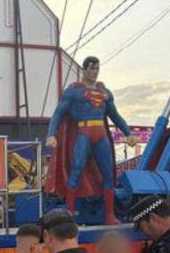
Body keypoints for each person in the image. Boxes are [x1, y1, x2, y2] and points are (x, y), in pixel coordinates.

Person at [44, 56, 138, 224]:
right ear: (84, 69)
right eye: (92, 68)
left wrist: (128, 132)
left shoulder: (105, 92)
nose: (94, 72)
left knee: (108, 174)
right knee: (76, 170)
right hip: (84, 134)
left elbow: (115, 116)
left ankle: (109, 215)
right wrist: (51, 134)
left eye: (97, 68)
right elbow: (58, 113)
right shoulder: (74, 91)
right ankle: (69, 215)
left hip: (100, 134)